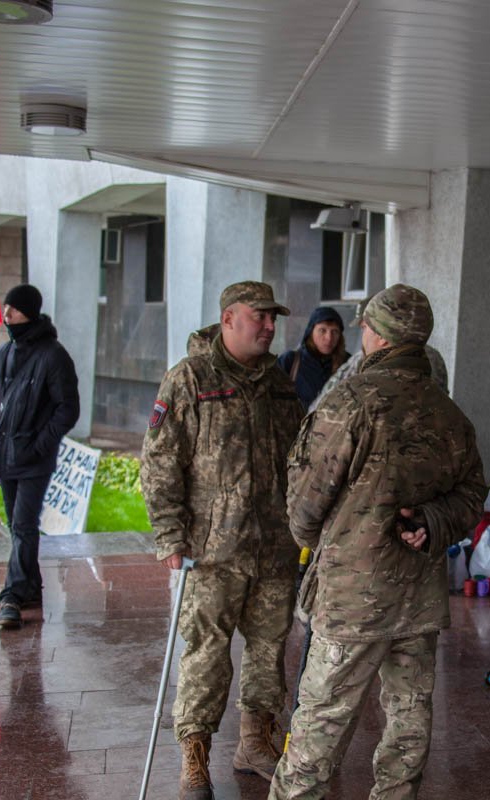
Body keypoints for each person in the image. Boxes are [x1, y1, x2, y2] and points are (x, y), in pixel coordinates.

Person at [270, 284, 486, 800]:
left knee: (321, 720)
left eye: (364, 325)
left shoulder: (350, 401)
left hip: (353, 596)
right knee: (408, 718)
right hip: (418, 595)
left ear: (379, 335)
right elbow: (472, 494)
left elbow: (304, 502)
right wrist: (433, 521)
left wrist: (321, 540)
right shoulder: (448, 411)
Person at [140, 281, 304, 800]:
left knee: (269, 647)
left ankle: (255, 741)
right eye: (260, 317)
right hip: (211, 549)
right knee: (207, 652)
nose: (270, 326)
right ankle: (195, 755)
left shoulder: (280, 384)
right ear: (230, 317)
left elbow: (297, 461)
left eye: (273, 318)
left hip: (274, 544)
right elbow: (160, 460)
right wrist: (169, 533)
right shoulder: (190, 378)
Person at [0, 284, 79, 630]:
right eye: (6, 309)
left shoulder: (53, 355)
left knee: (23, 525)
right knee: (16, 526)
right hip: (5, 455)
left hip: (34, 459)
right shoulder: (2, 354)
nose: (6, 316)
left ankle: (11, 596)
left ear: (29, 313)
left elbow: (67, 409)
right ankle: (31, 587)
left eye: (13, 310)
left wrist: (41, 444)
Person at [309, 296, 449, 410]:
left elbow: (324, 404)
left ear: (381, 328)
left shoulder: (363, 359)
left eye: (365, 328)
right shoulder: (433, 357)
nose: (364, 336)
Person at [277, 306, 350, 408]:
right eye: (322, 330)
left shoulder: (348, 364)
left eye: (334, 332)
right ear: (310, 332)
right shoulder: (290, 361)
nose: (329, 338)